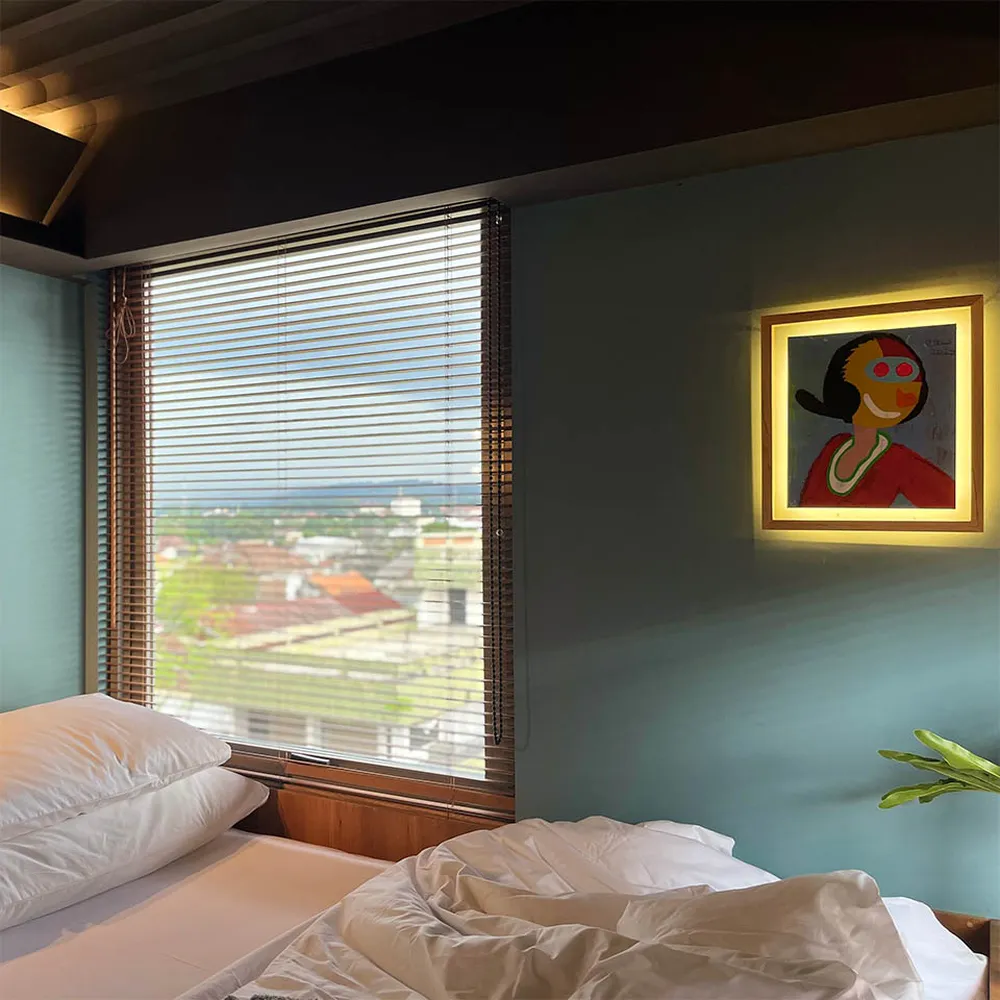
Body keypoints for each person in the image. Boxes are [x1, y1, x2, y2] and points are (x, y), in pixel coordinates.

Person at [795, 333, 954, 507]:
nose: (897, 397)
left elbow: (953, 501)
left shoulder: (898, 460)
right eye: (881, 373)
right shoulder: (834, 445)